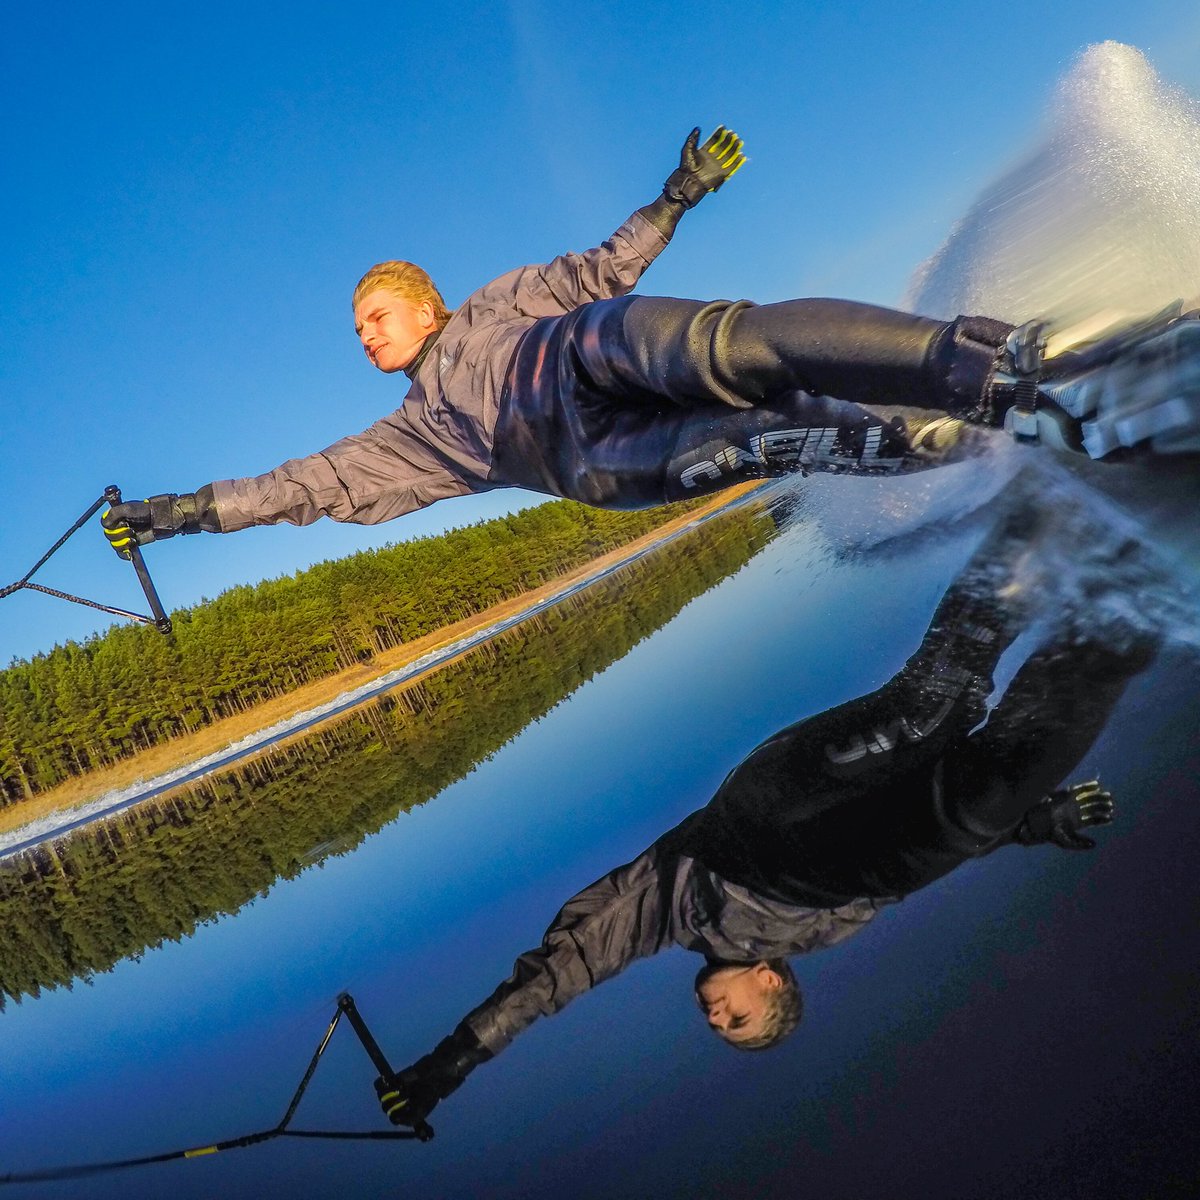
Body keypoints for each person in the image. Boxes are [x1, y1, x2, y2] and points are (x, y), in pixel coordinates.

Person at [368, 493, 1159, 1130]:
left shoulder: (664, 912)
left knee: (927, 712)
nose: (716, 1022)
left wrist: (450, 1066)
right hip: (865, 868)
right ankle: (1138, 584)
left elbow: (555, 976)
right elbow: (922, 848)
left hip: (760, 826)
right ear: (771, 984)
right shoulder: (828, 932)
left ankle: (1050, 502)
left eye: (721, 1028)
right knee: (994, 791)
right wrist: (1028, 824)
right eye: (737, 1024)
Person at [99, 125, 1195, 559]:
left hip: (591, 349)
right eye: (357, 332)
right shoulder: (412, 442)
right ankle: (993, 447)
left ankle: (999, 367)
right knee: (792, 433)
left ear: (424, 306)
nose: (364, 340)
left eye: (372, 318)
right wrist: (191, 511)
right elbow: (304, 485)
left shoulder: (496, 304)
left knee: (747, 346)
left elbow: (598, 273)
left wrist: (677, 196)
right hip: (599, 464)